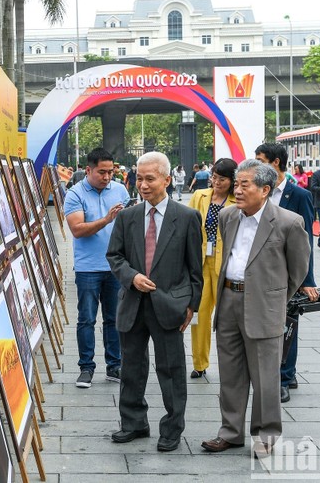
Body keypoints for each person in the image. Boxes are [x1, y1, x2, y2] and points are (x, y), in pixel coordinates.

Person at [201, 160, 309, 457]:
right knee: (231, 375)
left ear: (265, 189)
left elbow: (298, 269)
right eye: (236, 184)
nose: (237, 190)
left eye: (244, 184)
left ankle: (265, 436)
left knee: (265, 379)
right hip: (228, 301)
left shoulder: (288, 222)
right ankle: (230, 433)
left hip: (264, 305)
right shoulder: (228, 216)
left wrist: (275, 297)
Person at [106, 151, 203, 452]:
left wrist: (192, 305)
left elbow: (195, 268)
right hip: (133, 303)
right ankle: (134, 422)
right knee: (132, 367)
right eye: (139, 178)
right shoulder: (127, 216)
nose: (143, 185)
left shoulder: (186, 217)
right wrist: (131, 276)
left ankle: (172, 428)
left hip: (170, 304)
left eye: (150, 179)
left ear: (167, 180)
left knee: (171, 369)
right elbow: (115, 256)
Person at [255, 143, 318, 404]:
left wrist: (307, 280)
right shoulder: (257, 191)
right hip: (261, 270)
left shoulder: (298, 195)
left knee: (287, 325)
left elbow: (306, 244)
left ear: (276, 163)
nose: (257, 164)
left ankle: (284, 378)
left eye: (261, 160)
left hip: (288, 272)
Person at [64, 148, 129, 388]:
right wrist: (106, 220)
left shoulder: (120, 190)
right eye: (102, 172)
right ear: (88, 170)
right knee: (87, 319)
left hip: (115, 266)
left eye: (110, 172)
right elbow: (78, 230)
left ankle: (114, 365)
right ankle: (86, 368)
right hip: (88, 267)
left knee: (114, 319)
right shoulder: (75, 194)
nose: (107, 177)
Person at [187, 158, 237, 379]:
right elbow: (187, 224)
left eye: (222, 179)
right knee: (200, 315)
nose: (216, 182)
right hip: (201, 263)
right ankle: (199, 363)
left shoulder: (238, 201)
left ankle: (231, 363)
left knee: (227, 319)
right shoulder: (200, 196)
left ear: (232, 180)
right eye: (214, 177)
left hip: (226, 266)